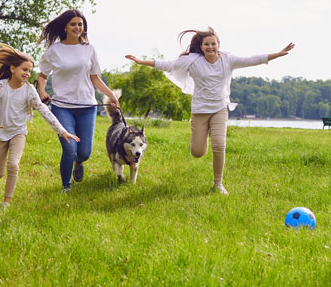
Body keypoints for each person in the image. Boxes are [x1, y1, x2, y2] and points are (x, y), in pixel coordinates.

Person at [126, 27, 294, 195]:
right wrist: (141, 62)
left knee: (219, 145)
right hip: (200, 110)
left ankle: (218, 184)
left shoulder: (228, 60)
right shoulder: (192, 61)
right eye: (207, 44)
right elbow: (167, 65)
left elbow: (252, 59)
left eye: (213, 44)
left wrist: (277, 54)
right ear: (201, 47)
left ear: (218, 45)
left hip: (219, 108)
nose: (210, 47)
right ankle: (201, 136)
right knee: (197, 152)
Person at [0, 43, 80, 208]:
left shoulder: (29, 91)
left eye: (29, 71)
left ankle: (6, 203)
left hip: (18, 132)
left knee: (13, 164)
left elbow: (44, 110)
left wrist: (62, 131)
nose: (27, 74)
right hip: (0, 133)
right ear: (12, 69)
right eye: (24, 69)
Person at [37, 9, 120, 193]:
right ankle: (66, 187)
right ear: (65, 27)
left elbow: (95, 78)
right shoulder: (54, 50)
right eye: (73, 24)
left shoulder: (89, 49)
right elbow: (42, 76)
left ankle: (78, 162)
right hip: (61, 107)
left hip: (87, 106)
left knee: (84, 153)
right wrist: (41, 91)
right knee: (70, 148)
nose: (77, 27)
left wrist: (112, 96)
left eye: (80, 24)